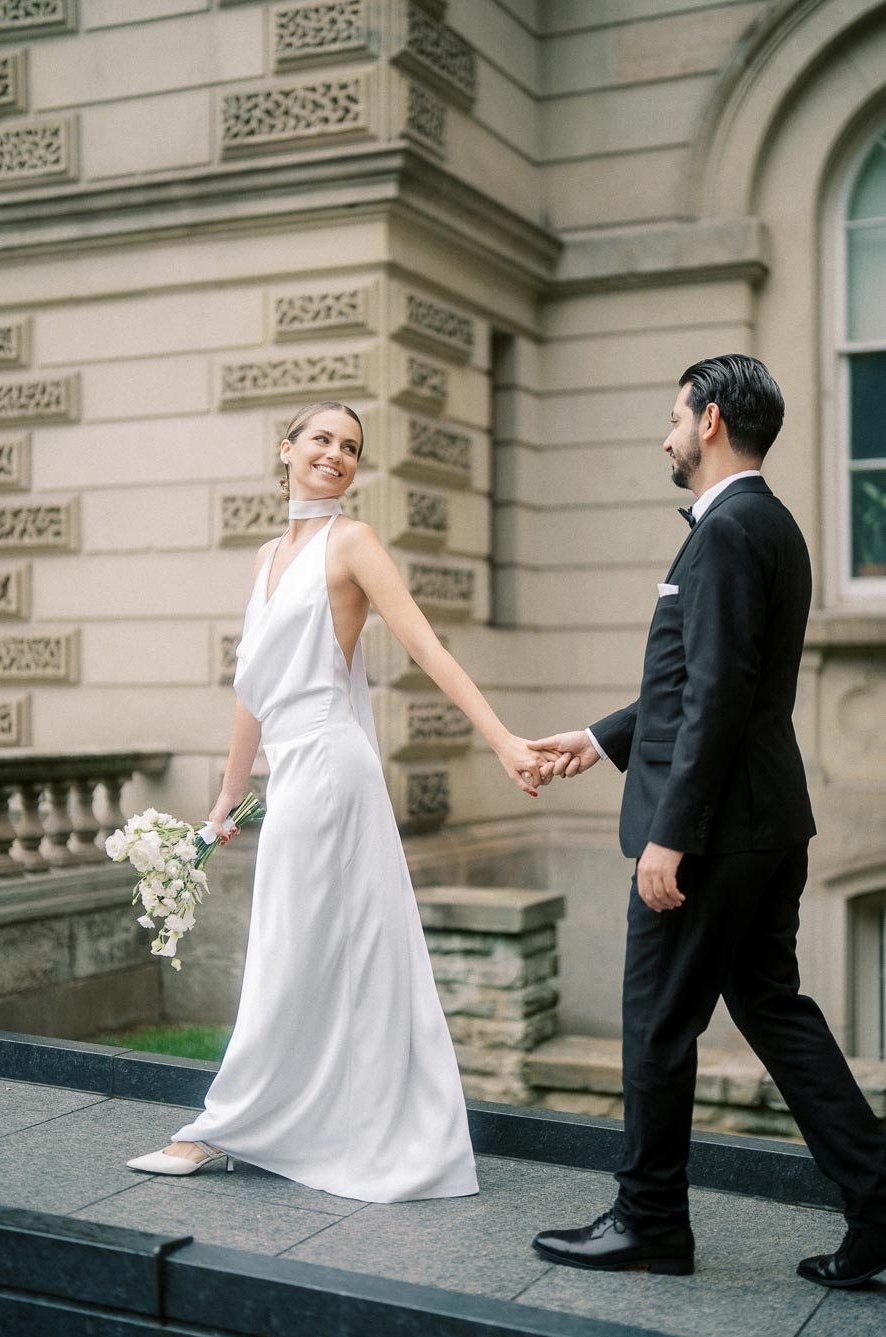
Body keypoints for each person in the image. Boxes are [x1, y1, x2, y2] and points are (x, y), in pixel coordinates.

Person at [126, 400, 554, 1203]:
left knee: (293, 947)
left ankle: (215, 1128)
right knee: (312, 945)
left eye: (351, 447)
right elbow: (253, 692)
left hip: (330, 764)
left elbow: (425, 645)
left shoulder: (350, 542)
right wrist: (224, 801)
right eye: (321, 439)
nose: (336, 454)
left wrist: (501, 739)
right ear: (285, 448)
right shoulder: (263, 560)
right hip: (291, 771)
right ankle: (297, 1122)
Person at [528, 355, 886, 1286]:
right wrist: (602, 739)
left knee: (655, 1023)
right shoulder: (771, 525)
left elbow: (720, 693)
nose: (667, 436)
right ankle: (882, 1200)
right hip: (766, 823)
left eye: (676, 419)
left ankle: (649, 1221)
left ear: (712, 420)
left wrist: (670, 834)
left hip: (714, 834)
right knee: (774, 1007)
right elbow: (703, 678)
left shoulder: (727, 532)